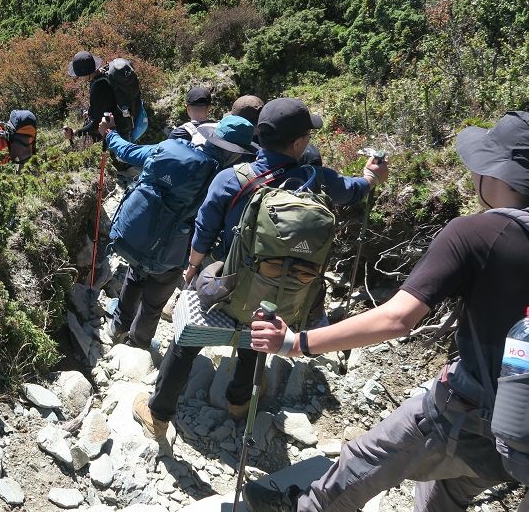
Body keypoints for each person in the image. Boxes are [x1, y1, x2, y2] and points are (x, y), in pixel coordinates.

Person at [242, 111, 529, 512]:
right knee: (446, 489)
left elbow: (398, 318)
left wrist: (296, 342)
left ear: (493, 173)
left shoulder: (476, 233)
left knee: (360, 462)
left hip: (467, 413)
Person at [132, 98, 388, 436]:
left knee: (188, 332)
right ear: (298, 143)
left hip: (228, 290)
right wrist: (370, 177)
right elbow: (352, 191)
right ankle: (240, 402)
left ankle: (159, 414)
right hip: (283, 298)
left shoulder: (230, 179)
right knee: (262, 320)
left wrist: (192, 271)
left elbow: (204, 233)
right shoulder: (318, 178)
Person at [102, 113, 260, 349]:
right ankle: (138, 343)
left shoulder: (169, 147)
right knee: (154, 302)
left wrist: (109, 133)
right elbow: (212, 226)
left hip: (136, 235)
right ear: (236, 152)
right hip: (170, 253)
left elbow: (126, 151)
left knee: (135, 275)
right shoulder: (223, 180)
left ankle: (118, 326)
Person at [63, 50, 131, 142]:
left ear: (85, 74)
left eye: (79, 75)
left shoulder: (99, 88)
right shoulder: (101, 74)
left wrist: (75, 133)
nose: (78, 77)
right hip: (114, 112)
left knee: (114, 153)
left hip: (117, 124)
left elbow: (97, 124)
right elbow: (103, 104)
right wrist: (90, 112)